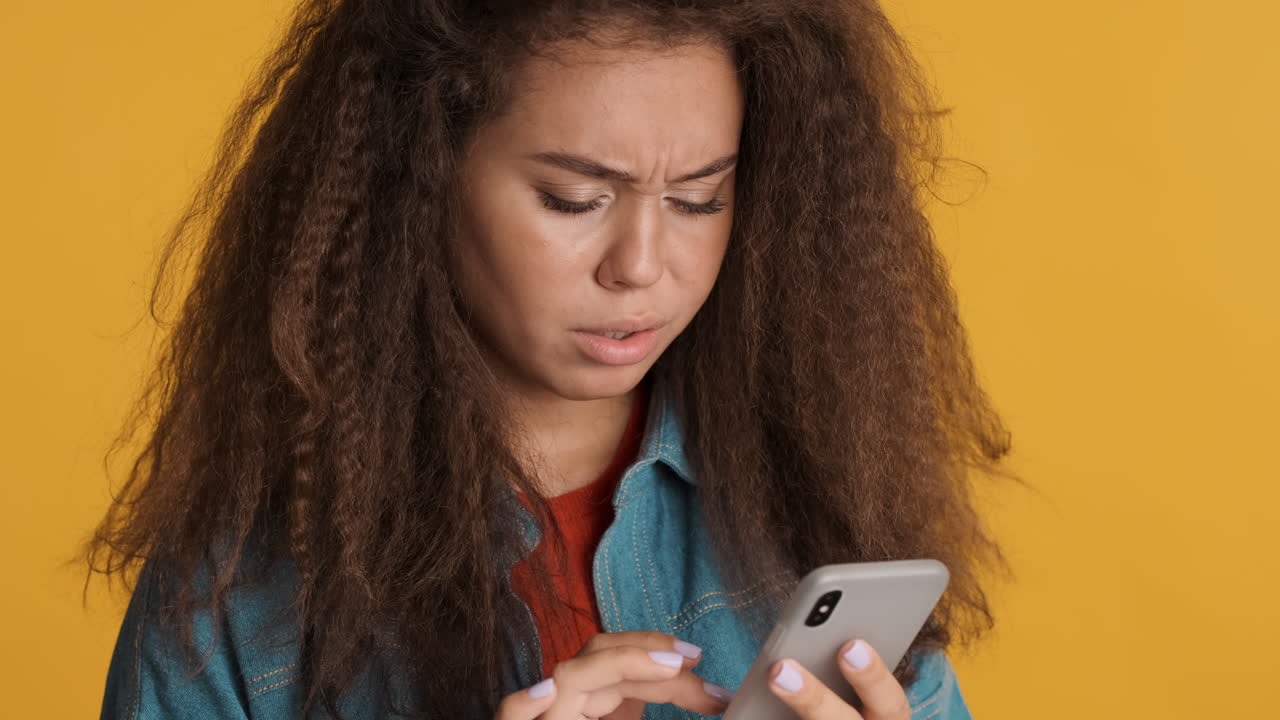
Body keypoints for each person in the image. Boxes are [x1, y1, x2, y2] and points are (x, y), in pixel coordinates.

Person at [84, 1, 1013, 719]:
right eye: (574, 199)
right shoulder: (239, 595)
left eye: (698, 200)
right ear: (419, 175)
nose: (642, 266)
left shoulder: (817, 505)